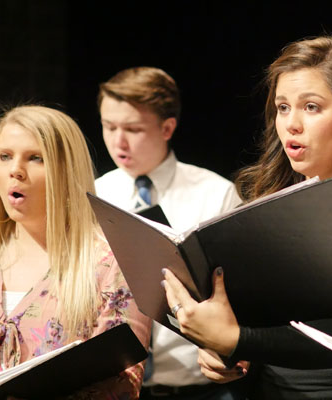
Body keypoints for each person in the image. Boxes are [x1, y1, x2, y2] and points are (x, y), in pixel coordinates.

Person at [162, 36, 332, 399]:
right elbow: (250, 324)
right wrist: (224, 353)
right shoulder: (258, 213)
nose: (291, 124)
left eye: (311, 107)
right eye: (283, 107)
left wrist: (238, 339)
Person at [94, 66, 242, 399]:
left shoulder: (215, 194)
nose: (118, 141)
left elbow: (241, 295)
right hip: (115, 384)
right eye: (109, 126)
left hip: (200, 386)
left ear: (167, 127)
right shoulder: (94, 194)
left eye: (133, 129)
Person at [0, 105, 151, 398]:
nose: (15, 170)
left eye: (35, 158)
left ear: (66, 170)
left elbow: (121, 383)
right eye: (5, 156)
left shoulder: (111, 263)